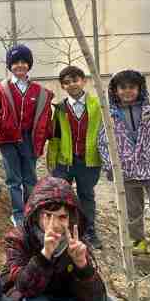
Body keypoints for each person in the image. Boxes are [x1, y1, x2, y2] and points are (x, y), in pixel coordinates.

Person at [2, 177, 115, 301]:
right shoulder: (18, 238)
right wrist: (45, 254)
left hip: (58, 298)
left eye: (62, 217)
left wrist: (82, 265)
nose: (54, 224)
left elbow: (95, 296)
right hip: (28, 300)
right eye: (48, 215)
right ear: (36, 214)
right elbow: (24, 287)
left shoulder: (75, 240)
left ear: (70, 218)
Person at [97, 69, 150, 256]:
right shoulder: (109, 116)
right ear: (115, 90)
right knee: (132, 209)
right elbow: (103, 142)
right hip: (126, 171)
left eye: (132, 87)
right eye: (123, 87)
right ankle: (137, 239)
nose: (127, 91)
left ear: (140, 89)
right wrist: (110, 165)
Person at [0, 45, 54, 227]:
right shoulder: (1, 88)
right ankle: (18, 214)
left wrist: (47, 134)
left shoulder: (39, 91)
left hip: (29, 140)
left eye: (24, 62)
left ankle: (31, 211)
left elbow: (46, 117)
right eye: (16, 62)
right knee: (13, 179)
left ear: (29, 65)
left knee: (30, 178)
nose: (20, 65)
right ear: (10, 66)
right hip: (8, 139)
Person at [47, 66, 104, 249]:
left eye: (75, 80)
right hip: (64, 161)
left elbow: (105, 133)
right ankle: (61, 232)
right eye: (67, 82)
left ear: (83, 81)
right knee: (61, 196)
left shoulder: (98, 105)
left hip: (89, 161)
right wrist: (52, 160)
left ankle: (89, 232)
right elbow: (55, 136)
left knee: (86, 195)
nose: (72, 84)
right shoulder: (60, 109)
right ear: (62, 86)